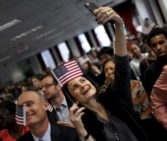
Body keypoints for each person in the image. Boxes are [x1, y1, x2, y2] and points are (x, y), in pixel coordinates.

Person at [53, 6, 148, 141]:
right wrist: (80, 131)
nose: (82, 85)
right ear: (73, 99)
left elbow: (121, 63)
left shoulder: (114, 97)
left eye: (82, 80)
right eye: (74, 87)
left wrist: (119, 25)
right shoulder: (84, 123)